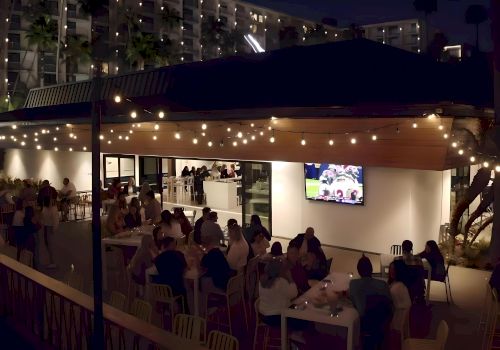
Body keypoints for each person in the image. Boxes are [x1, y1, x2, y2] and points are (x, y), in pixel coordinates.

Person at [350, 256, 393, 350]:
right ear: (372, 269)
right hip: (382, 322)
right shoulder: (383, 285)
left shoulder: (353, 284)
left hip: (364, 323)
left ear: (358, 270)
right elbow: (390, 304)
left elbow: (353, 301)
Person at [258, 260, 298, 327]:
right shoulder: (280, 282)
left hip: (263, 315)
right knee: (304, 319)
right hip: (277, 318)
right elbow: (294, 294)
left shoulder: (262, 280)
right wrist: (290, 278)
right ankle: (295, 334)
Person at [387, 260, 411, 333]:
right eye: (390, 269)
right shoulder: (398, 284)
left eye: (394, 269)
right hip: (399, 315)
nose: (392, 271)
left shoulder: (398, 286)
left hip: (399, 318)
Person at [40, 195, 58, 268]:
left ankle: (52, 261)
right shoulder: (49, 209)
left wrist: (54, 228)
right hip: (47, 227)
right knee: (47, 243)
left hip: (48, 227)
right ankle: (50, 260)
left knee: (49, 244)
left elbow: (55, 220)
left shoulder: (49, 209)